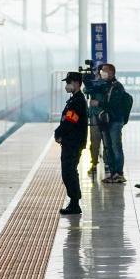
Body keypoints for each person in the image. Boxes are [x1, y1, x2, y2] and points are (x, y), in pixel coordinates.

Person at [55, 71, 89, 215]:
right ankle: (74, 202)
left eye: (68, 83)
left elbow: (70, 121)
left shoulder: (77, 102)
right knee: (69, 172)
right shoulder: (74, 100)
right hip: (71, 141)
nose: (66, 86)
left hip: (73, 142)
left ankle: (75, 204)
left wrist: (58, 132)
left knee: (69, 172)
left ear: (76, 83)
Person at [92, 63, 131, 184]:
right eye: (101, 71)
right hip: (105, 121)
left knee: (116, 146)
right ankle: (112, 173)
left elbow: (114, 104)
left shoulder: (117, 86)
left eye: (104, 70)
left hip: (115, 120)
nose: (102, 72)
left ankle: (119, 173)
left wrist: (99, 103)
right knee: (108, 148)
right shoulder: (104, 85)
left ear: (112, 73)